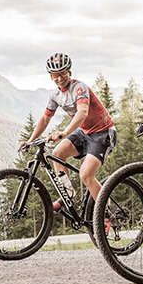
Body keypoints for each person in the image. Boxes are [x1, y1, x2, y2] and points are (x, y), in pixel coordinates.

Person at [21, 53, 117, 210]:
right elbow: (45, 119)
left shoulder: (79, 88)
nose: (59, 78)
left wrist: (64, 133)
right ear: (51, 76)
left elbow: (82, 112)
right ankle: (68, 195)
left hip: (103, 133)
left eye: (62, 73)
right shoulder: (55, 95)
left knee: (86, 175)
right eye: (55, 75)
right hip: (84, 132)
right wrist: (30, 140)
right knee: (57, 154)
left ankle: (107, 215)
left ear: (69, 72)